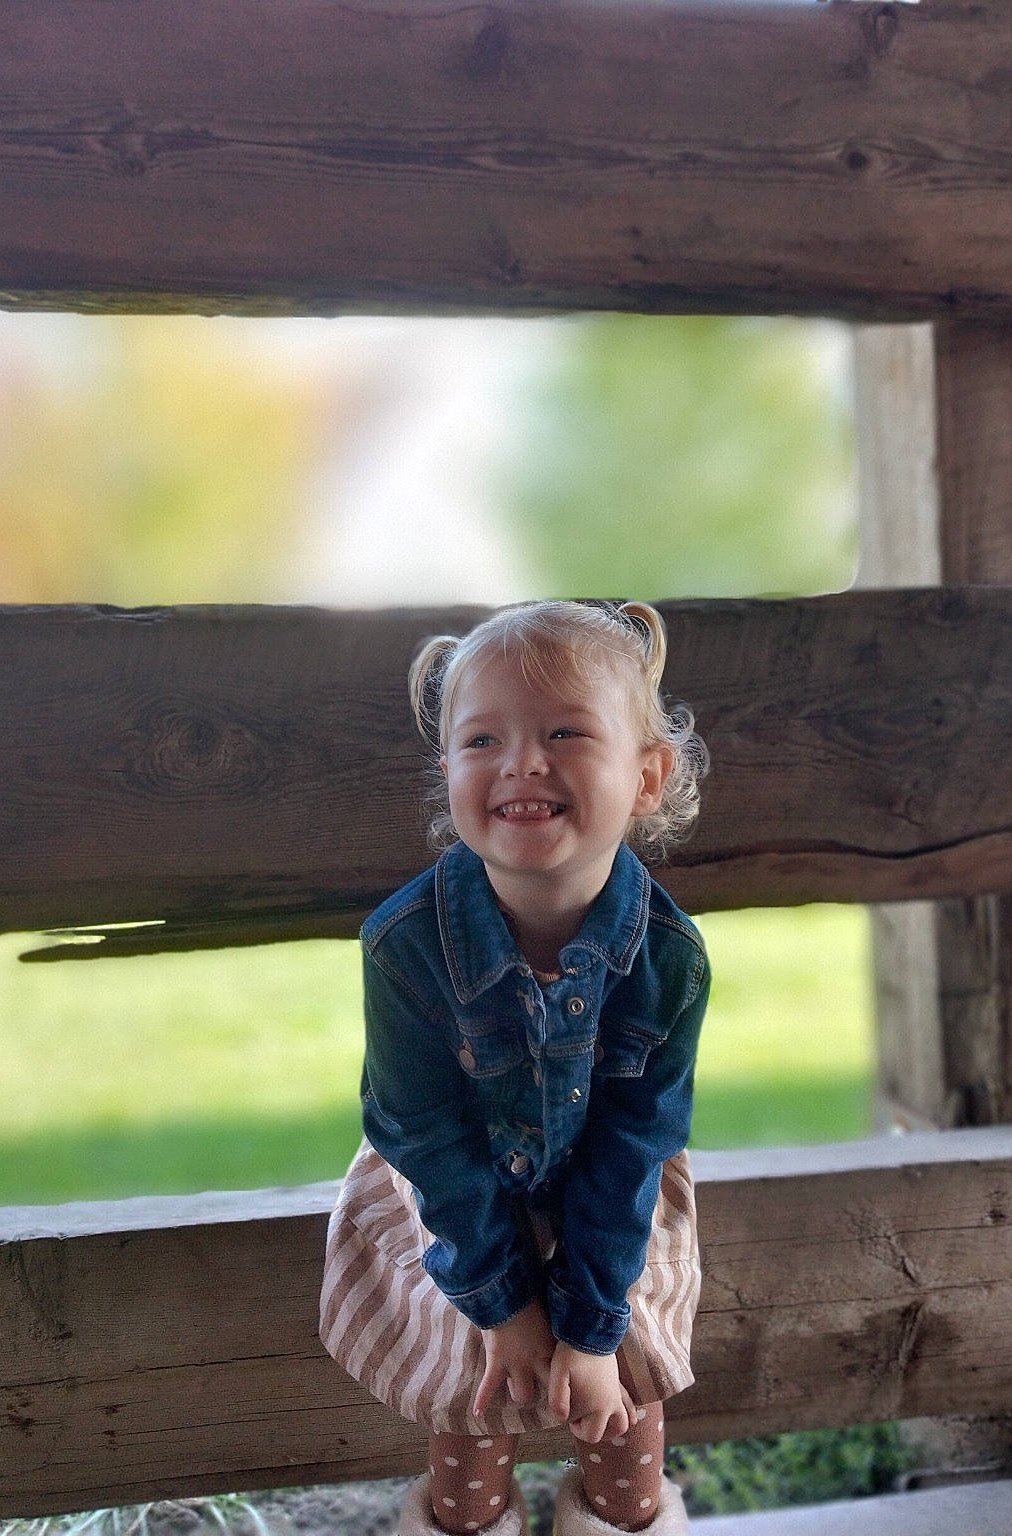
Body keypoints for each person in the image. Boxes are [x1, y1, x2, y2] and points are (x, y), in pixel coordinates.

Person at [319, 599, 712, 1536]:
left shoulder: (669, 957)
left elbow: (637, 1139)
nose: (521, 762)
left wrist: (587, 1325)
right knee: (478, 1392)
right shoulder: (404, 948)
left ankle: (622, 1515)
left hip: (610, 1198)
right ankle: (469, 1517)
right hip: (453, 1202)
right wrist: (505, 1307)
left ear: (647, 776)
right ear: (449, 769)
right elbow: (423, 1134)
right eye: (481, 739)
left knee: (621, 1390)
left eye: (565, 731)